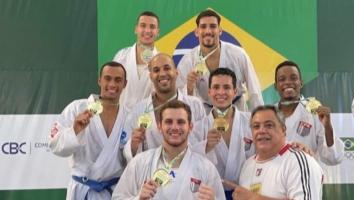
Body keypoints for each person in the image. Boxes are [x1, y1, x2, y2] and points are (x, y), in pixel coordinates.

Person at [112, 100, 226, 200]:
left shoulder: (206, 169)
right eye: (169, 122)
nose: (175, 127)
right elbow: (117, 197)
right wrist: (139, 198)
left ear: (190, 127)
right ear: (159, 126)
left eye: (181, 122)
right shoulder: (140, 163)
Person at [49, 61, 128, 200]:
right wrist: (75, 130)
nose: (112, 84)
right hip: (81, 191)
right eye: (107, 78)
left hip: (114, 192)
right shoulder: (77, 108)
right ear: (99, 80)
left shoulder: (129, 116)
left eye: (118, 80)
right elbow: (55, 145)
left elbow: (133, 158)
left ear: (125, 84)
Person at [123, 53, 206, 162]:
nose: (162, 74)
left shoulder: (195, 105)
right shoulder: (139, 110)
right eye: (156, 70)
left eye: (167, 68)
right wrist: (133, 144)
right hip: (151, 174)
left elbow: (205, 143)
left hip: (188, 172)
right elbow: (126, 152)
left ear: (176, 72)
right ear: (151, 76)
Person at [228, 105, 324, 200]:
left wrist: (253, 198)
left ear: (283, 130)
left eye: (269, 125)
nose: (261, 131)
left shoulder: (298, 161)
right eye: (256, 126)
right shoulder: (247, 165)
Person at [177, 9, 263, 113]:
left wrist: (259, 118)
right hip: (205, 113)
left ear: (220, 30)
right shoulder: (188, 60)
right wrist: (189, 87)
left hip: (236, 110)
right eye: (203, 27)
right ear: (197, 32)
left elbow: (254, 91)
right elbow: (179, 96)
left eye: (213, 26)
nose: (208, 31)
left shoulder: (238, 54)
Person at [193, 68, 254, 199]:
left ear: (235, 92)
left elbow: (270, 146)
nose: (221, 92)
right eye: (216, 87)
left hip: (246, 192)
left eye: (226, 87)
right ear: (209, 92)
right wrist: (206, 146)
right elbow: (189, 160)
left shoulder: (252, 121)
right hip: (212, 194)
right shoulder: (198, 128)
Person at [274, 60, 343, 165]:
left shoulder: (314, 111)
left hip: (306, 176)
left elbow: (333, 159)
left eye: (293, 78)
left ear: (301, 83)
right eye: (282, 79)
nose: (287, 82)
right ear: (276, 86)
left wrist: (328, 127)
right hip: (276, 176)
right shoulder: (270, 113)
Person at [113, 11, 160, 114]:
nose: (147, 30)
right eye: (143, 26)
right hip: (120, 120)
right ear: (136, 29)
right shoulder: (121, 56)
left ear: (158, 32)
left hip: (147, 122)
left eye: (152, 27)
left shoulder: (161, 61)